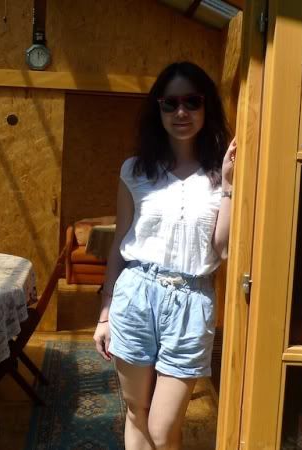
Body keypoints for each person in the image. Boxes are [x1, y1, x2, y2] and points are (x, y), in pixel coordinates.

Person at [93, 61, 236, 450]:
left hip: (192, 301)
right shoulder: (135, 170)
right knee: (136, 411)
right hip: (135, 294)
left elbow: (223, 248)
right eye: (170, 103)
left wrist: (228, 185)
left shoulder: (220, 174)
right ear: (158, 110)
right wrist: (105, 314)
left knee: (162, 427)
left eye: (192, 101)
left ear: (206, 107)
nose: (181, 112)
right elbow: (120, 242)